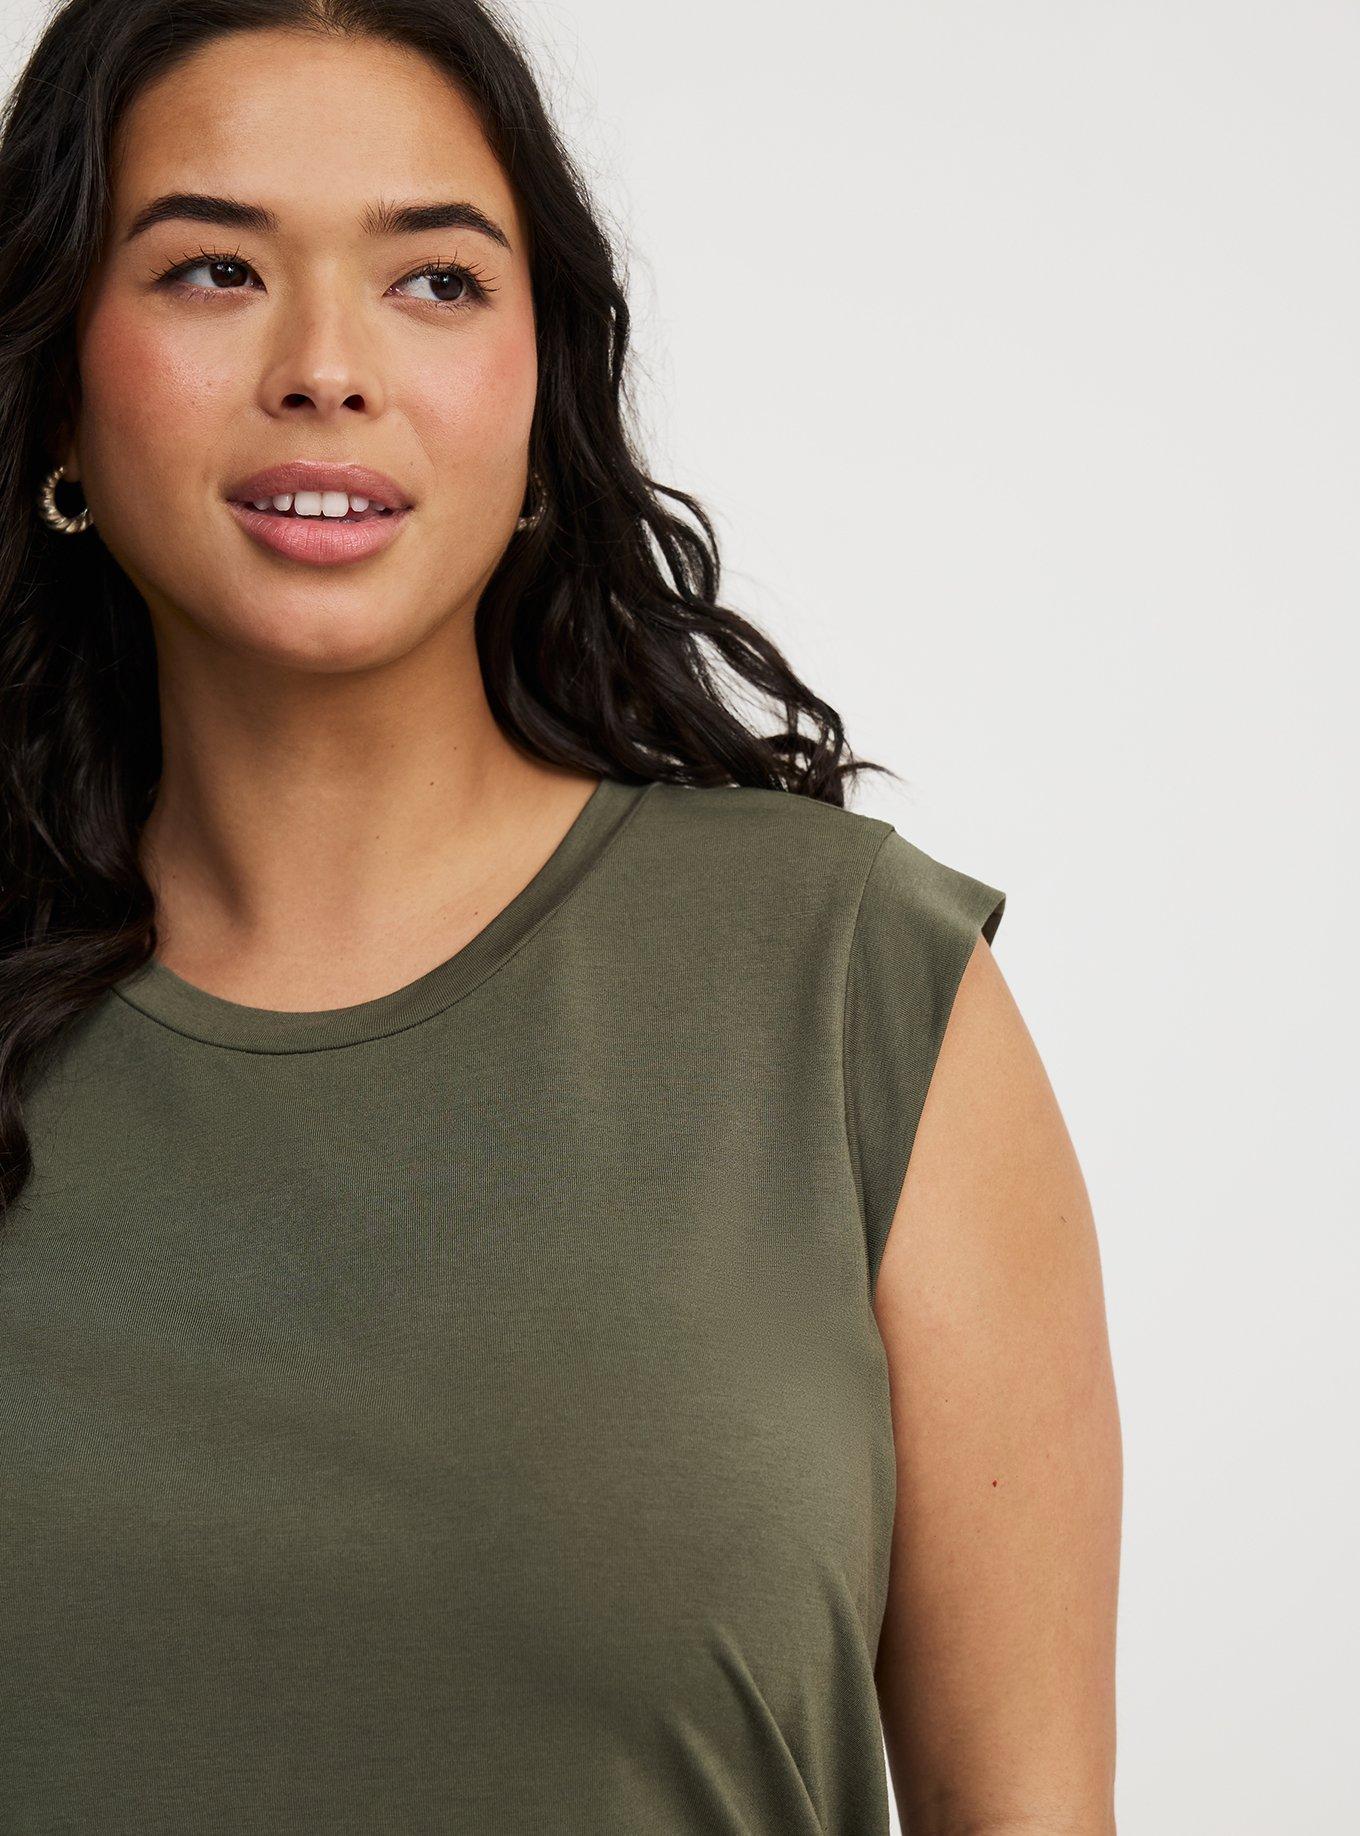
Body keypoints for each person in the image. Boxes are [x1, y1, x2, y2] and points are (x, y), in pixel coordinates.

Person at [0, 2, 1123, 1831]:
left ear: (543, 385)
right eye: (214, 268)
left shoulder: (850, 994)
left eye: (434, 281)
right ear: (59, 378)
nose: (326, 366)